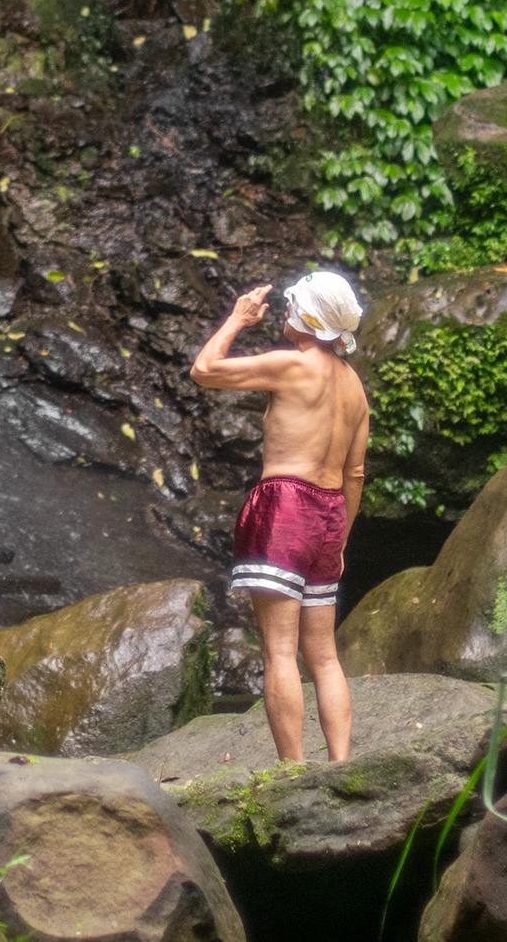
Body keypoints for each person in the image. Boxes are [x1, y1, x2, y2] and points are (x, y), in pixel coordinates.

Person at [189, 270, 368, 763]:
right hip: (331, 514)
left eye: (293, 306)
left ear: (310, 318)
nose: (285, 313)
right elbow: (354, 473)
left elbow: (204, 369)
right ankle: (341, 764)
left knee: (280, 652)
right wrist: (342, 540)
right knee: (325, 656)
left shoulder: (291, 365)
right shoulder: (355, 388)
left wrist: (238, 319)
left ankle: (292, 773)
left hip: (284, 505)